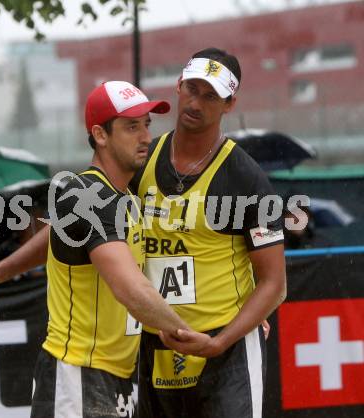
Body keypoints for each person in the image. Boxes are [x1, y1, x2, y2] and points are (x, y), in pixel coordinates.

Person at [0, 80, 194, 418]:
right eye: (131, 126)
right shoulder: (86, 196)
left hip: (117, 377)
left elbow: (56, 235)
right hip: (78, 375)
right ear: (100, 134)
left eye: (146, 125)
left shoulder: (124, 197)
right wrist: (193, 336)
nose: (145, 137)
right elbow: (131, 289)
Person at [129, 48, 286, 418]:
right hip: (154, 345)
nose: (196, 103)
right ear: (178, 86)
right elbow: (83, 220)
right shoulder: (141, 161)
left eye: (211, 95)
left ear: (230, 104)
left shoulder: (245, 178)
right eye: (193, 89)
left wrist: (220, 341)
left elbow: (274, 284)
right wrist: (0, 271)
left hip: (225, 351)